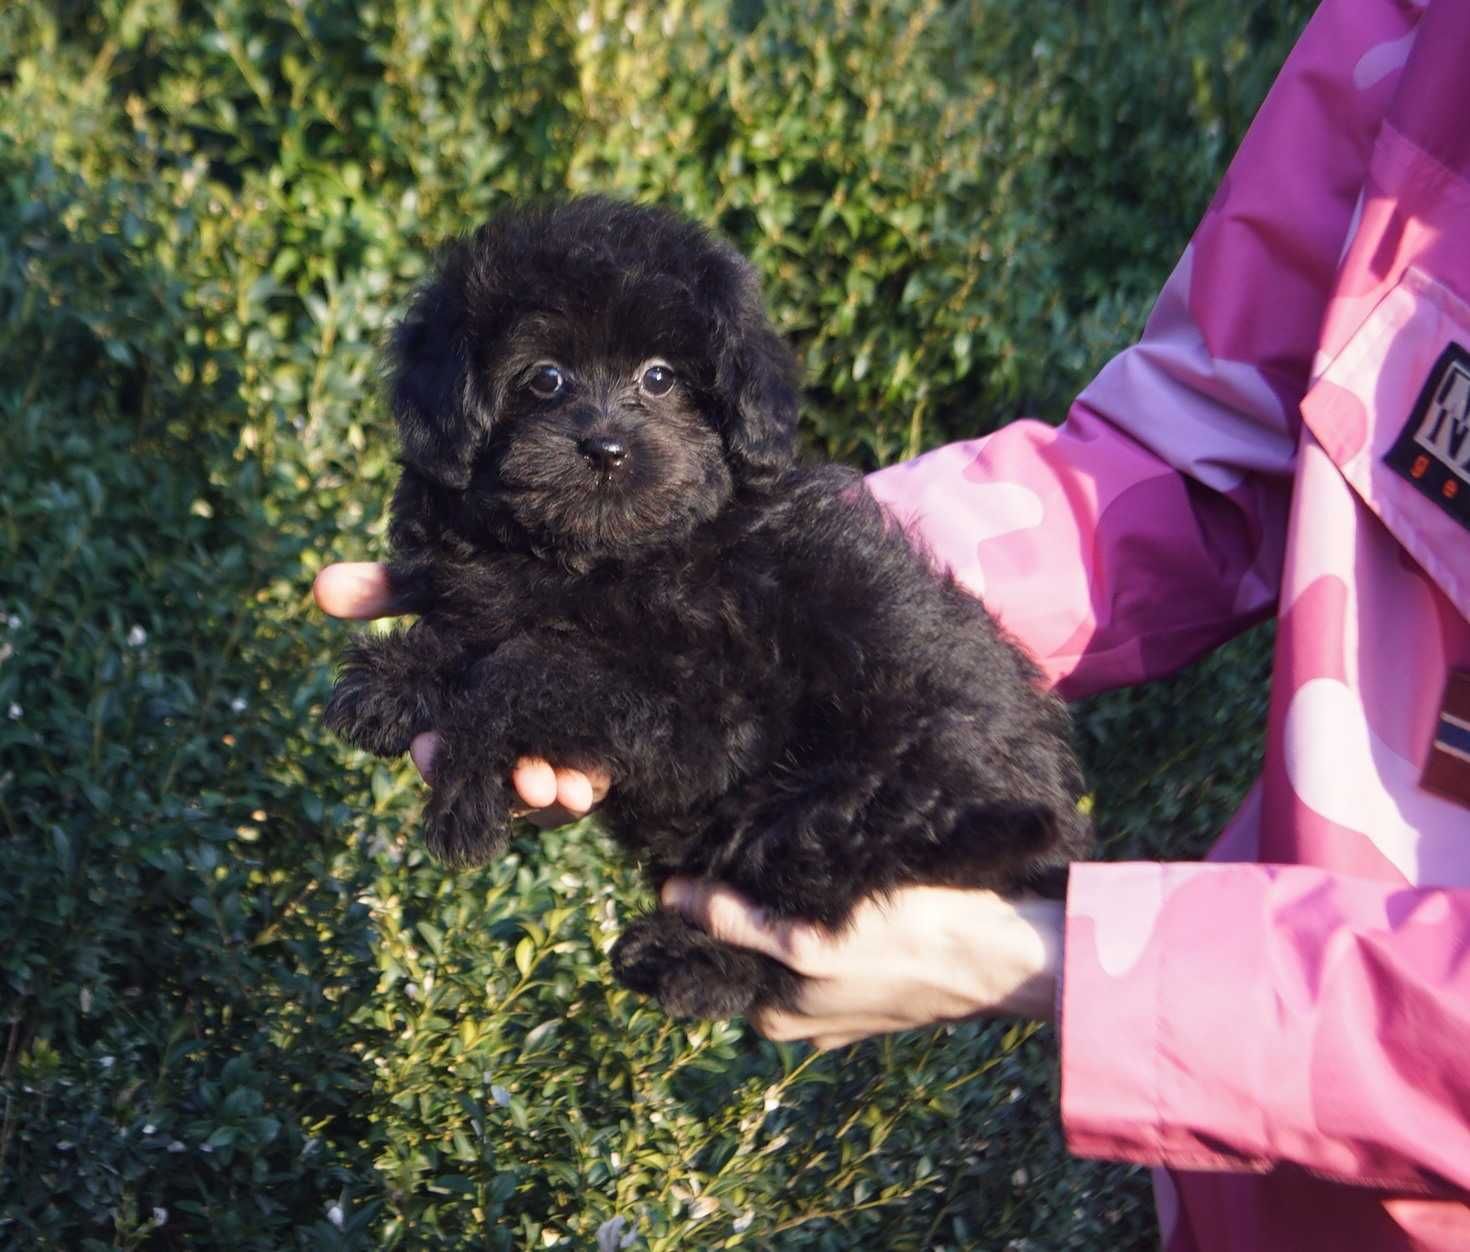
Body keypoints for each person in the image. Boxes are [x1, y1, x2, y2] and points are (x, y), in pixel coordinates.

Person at [316, 1, 1470, 1246]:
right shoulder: (1420, 33)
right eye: (548, 387)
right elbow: (1198, 450)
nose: (604, 425)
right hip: (1254, 1188)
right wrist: (762, 571)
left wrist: (1061, 959)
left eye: (657, 381)